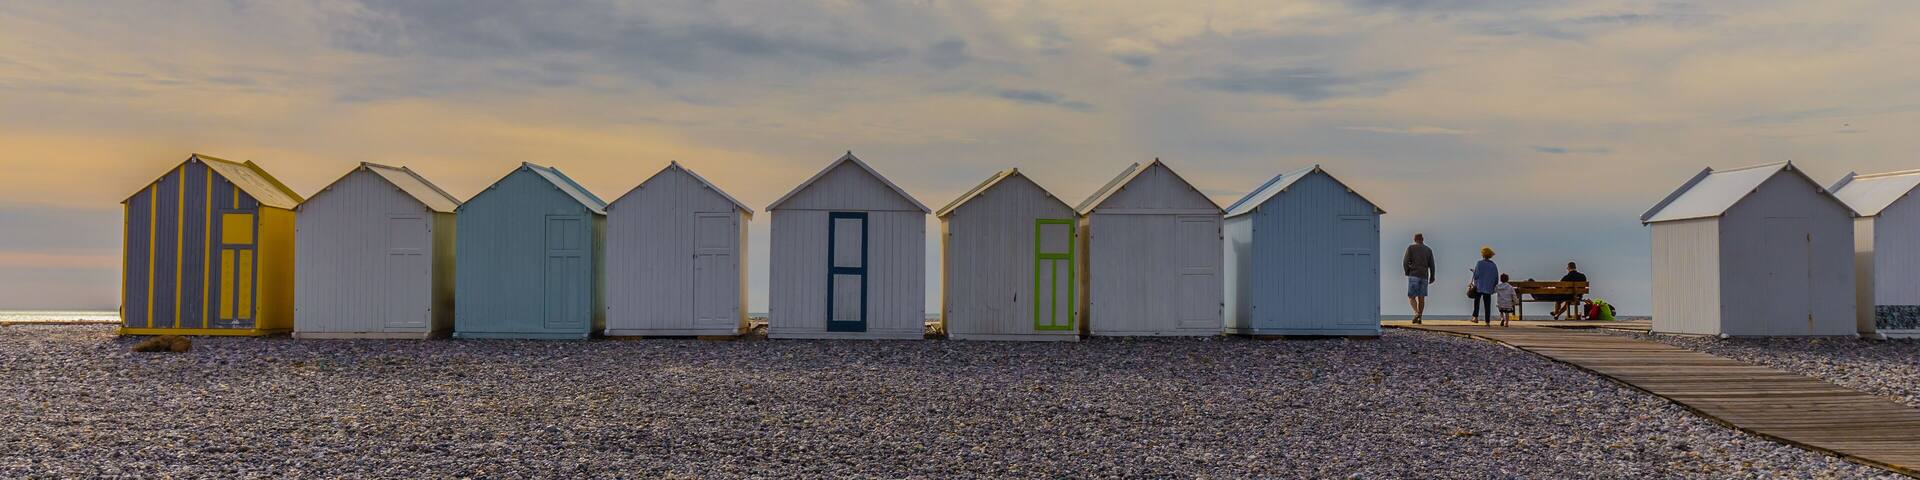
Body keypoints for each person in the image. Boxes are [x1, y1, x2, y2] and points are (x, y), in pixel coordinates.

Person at [1403, 233, 1436, 324]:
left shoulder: (1410, 248)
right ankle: (1420, 317)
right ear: (1423, 239)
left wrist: (1407, 271)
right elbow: (1432, 265)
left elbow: (1405, 262)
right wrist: (1432, 276)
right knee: (1421, 297)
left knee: (1411, 296)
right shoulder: (1428, 250)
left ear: (1414, 239)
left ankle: (1417, 313)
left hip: (1414, 274)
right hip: (1424, 275)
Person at [1472, 247, 1499, 325]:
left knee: (1476, 301)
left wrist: (1474, 272)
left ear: (1482, 255)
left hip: (1479, 286)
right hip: (1488, 287)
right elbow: (1496, 277)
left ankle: (1475, 317)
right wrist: (1494, 286)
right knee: (1487, 304)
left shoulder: (1479, 263)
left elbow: (1476, 275)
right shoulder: (1493, 265)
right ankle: (1487, 321)